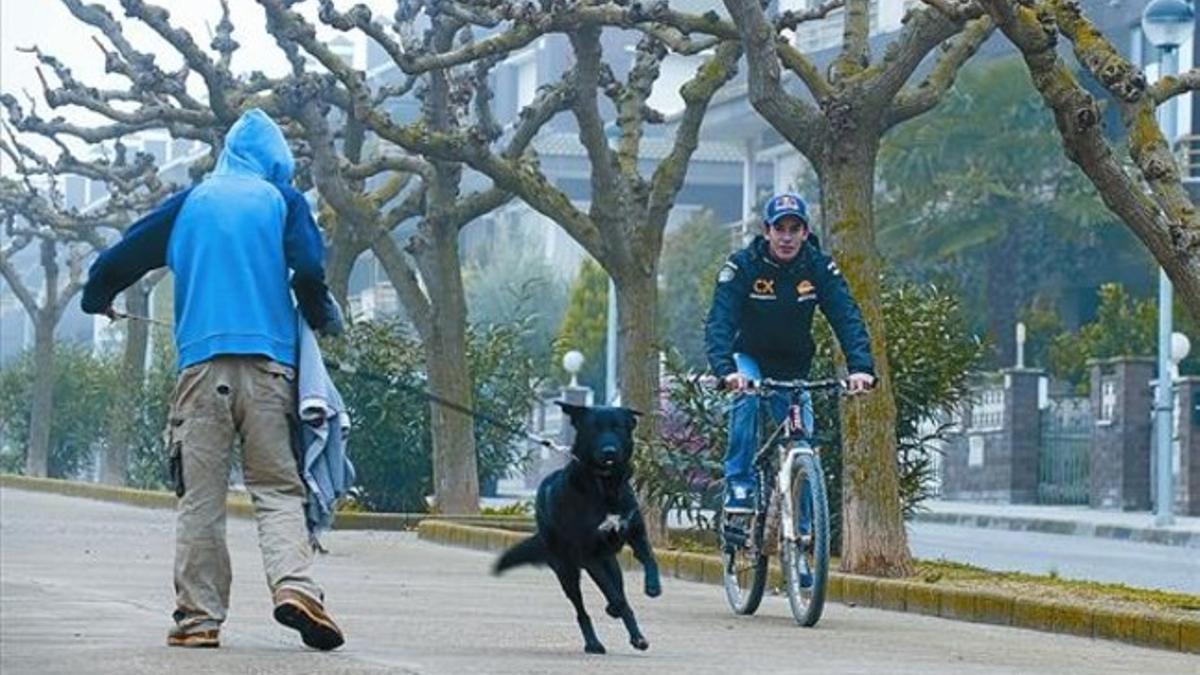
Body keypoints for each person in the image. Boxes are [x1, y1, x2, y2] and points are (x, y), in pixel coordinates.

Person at [81, 109, 345, 650]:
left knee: (200, 498)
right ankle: (295, 588)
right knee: (277, 488)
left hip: (201, 374)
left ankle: (199, 620)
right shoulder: (283, 201)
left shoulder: (191, 202)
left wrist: (97, 300)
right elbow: (311, 272)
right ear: (276, 161)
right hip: (272, 371)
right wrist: (320, 318)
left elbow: (117, 260)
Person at [704, 192, 875, 513]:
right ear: (766, 231)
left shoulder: (818, 267)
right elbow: (720, 321)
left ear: (805, 233)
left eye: (794, 229)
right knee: (748, 399)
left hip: (793, 367)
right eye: (779, 229)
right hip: (749, 361)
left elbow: (846, 316)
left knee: (803, 442)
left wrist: (861, 368)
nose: (786, 237)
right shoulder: (742, 266)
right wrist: (726, 371)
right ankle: (739, 484)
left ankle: (806, 532)